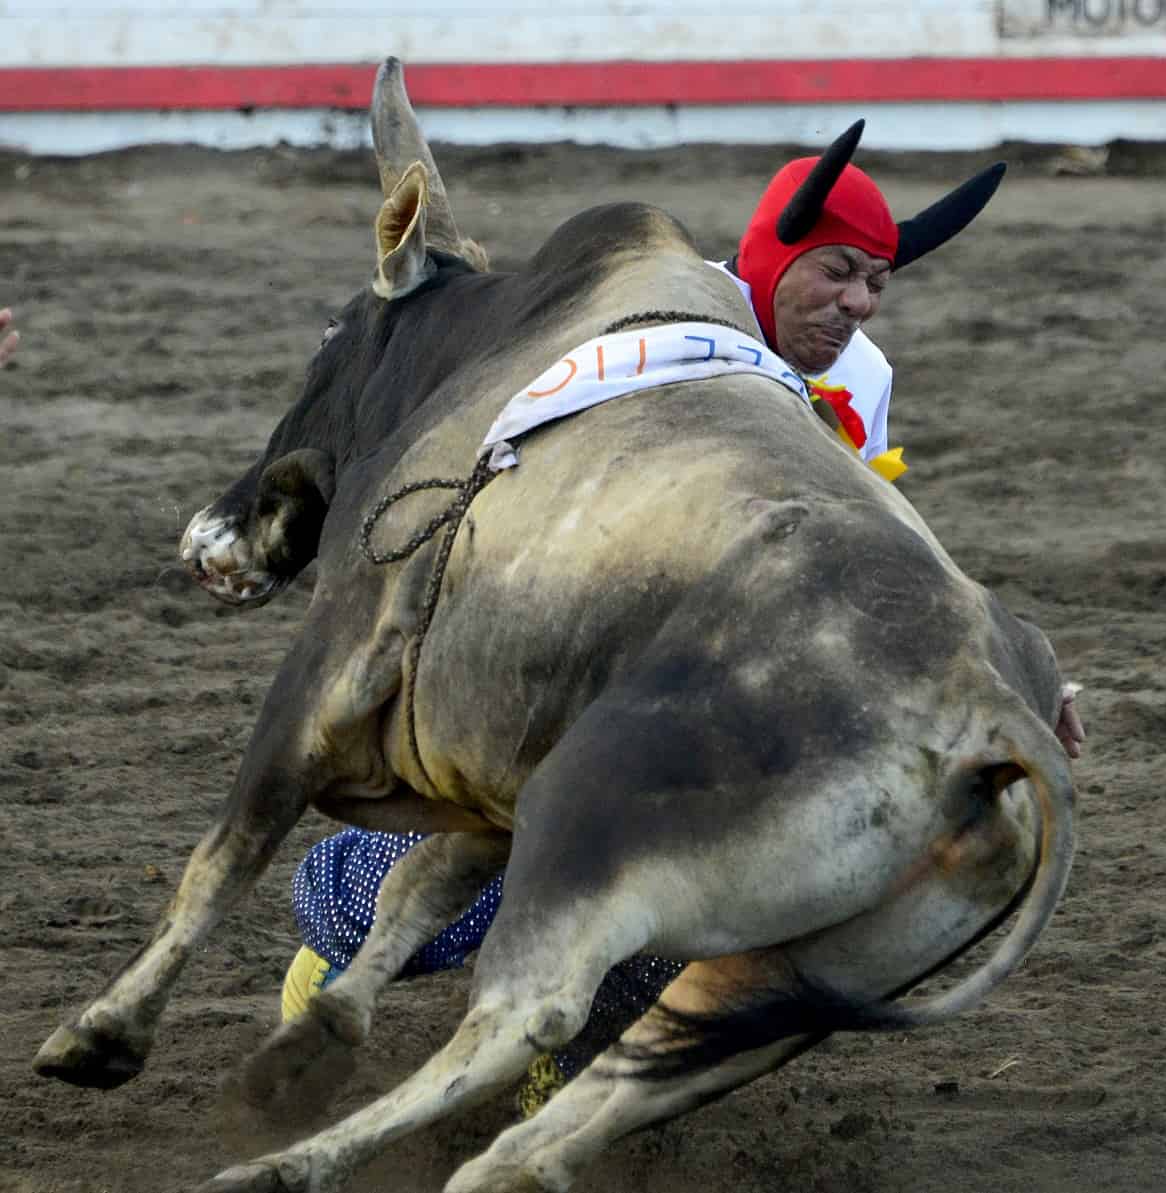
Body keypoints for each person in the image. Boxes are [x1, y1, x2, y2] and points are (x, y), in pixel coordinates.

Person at [281, 145, 1086, 1110]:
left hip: (719, 678)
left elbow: (878, 543)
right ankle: (311, 1026)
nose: (859, 303)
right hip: (563, 637)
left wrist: (1028, 673)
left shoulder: (863, 380)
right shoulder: (646, 309)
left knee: (681, 903)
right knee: (396, 891)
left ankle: (551, 1099)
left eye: (877, 281)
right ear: (772, 258)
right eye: (837, 270)